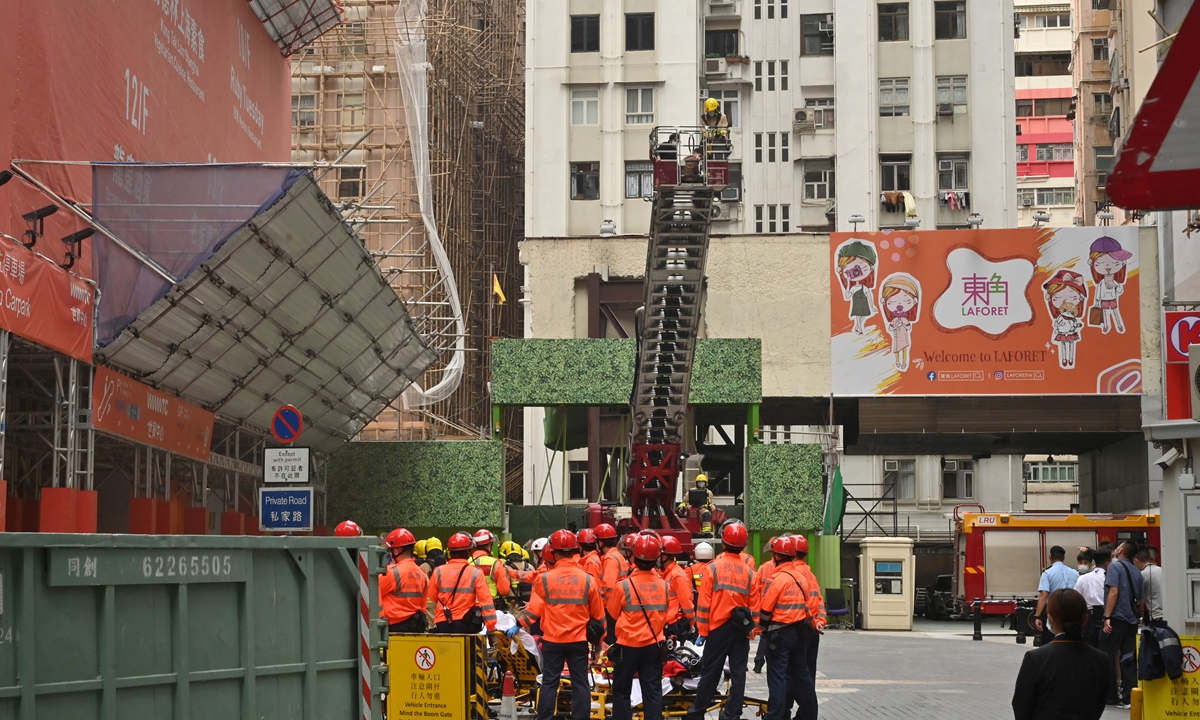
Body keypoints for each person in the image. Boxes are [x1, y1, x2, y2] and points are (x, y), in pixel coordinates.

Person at [514, 529, 604, 720]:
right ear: (574, 551)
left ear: (553, 552)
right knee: (581, 683)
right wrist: (598, 644)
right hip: (579, 641)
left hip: (553, 640)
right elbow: (598, 615)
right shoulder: (588, 580)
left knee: (549, 683)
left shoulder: (544, 579)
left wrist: (518, 625)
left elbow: (534, 610)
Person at [687, 522, 757, 720]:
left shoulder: (713, 568)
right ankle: (733, 713)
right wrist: (752, 630)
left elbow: (704, 603)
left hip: (717, 628)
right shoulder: (751, 572)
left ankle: (697, 712)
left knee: (710, 672)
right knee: (738, 673)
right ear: (743, 545)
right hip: (740, 629)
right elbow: (755, 605)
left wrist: (702, 630)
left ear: (723, 543)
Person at [1012, 588, 1112, 720]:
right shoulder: (1101, 660)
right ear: (1085, 619)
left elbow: (1021, 705)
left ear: (1050, 618)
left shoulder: (1036, 658)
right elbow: (1099, 704)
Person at [608, 535, 670, 720]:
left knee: (621, 691)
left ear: (633, 557)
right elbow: (665, 614)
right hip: (653, 646)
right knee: (652, 692)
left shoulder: (623, 586)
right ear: (657, 559)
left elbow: (611, 614)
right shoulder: (665, 586)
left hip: (628, 646)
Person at [759, 536, 817, 720]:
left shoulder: (776, 579)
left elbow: (765, 610)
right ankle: (810, 714)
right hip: (799, 634)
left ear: (776, 556)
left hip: (779, 635)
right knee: (802, 676)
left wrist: (761, 629)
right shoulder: (802, 577)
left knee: (778, 678)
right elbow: (810, 605)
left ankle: (775, 716)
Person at [425, 532, 498, 634]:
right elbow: (486, 602)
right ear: (468, 552)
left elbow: (432, 597)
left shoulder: (438, 571)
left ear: (449, 553)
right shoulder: (476, 573)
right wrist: (491, 628)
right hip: (466, 623)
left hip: (443, 622)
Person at [1101, 540, 1144, 708]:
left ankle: (1111, 696)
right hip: (1131, 620)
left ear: (1121, 550)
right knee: (1128, 658)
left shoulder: (1115, 567)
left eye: (1120, 545)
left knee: (1108, 656)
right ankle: (1129, 698)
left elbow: (1113, 591)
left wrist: (1106, 617)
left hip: (1116, 619)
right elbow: (1141, 599)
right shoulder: (1137, 571)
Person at [792, 534, 827, 687]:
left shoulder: (791, 574)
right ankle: (808, 708)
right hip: (813, 630)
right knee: (809, 671)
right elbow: (819, 601)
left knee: (794, 673)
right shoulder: (811, 575)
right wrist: (819, 622)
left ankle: (789, 708)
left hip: (799, 628)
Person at [378, 528, 429, 633]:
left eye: (391, 551)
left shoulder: (390, 572)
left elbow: (371, 593)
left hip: (393, 627)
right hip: (415, 626)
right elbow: (423, 606)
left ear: (396, 551)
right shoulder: (422, 574)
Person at [1034, 546, 1079, 644]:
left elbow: (1044, 594)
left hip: (1054, 612)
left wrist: (1037, 616)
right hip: (1072, 612)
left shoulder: (1047, 573)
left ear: (1050, 557)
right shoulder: (1075, 573)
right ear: (1063, 558)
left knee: (1051, 642)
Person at [1073, 547, 1110, 648]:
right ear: (1107, 562)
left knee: (1089, 647)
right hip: (1107, 616)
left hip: (1089, 617)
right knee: (1106, 648)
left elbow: (1075, 599)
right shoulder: (1109, 577)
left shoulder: (1082, 579)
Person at [660, 535, 695, 641]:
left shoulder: (678, 576)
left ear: (665, 557)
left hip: (674, 625)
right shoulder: (666, 573)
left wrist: (690, 624)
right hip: (667, 623)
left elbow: (687, 604)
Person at [752, 537, 779, 674]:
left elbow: (756, 590)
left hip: (767, 609)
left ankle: (759, 661)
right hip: (774, 610)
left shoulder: (764, 568)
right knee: (767, 636)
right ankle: (760, 662)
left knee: (765, 637)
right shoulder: (765, 568)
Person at [470, 529, 512, 610]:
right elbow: (504, 590)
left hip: (469, 607)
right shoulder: (495, 563)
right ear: (487, 546)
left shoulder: (466, 563)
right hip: (490, 606)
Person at [1135, 544, 1164, 627]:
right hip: (1167, 615)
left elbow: (1140, 599)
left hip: (1156, 617)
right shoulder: (1162, 570)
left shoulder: (1143, 575)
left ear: (1136, 560)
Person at [501, 540, 536, 606]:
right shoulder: (530, 566)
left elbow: (504, 588)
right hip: (530, 604)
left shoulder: (506, 568)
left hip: (514, 605)